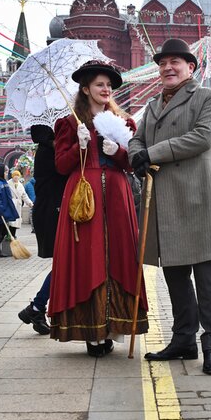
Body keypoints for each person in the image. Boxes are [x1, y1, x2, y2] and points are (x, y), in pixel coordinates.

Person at [128, 38, 211, 375]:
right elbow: (137, 138)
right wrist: (135, 154)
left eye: (175, 62)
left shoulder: (207, 98)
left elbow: (202, 137)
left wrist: (152, 154)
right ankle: (183, 338)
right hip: (163, 201)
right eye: (163, 63)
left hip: (196, 198)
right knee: (175, 276)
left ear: (190, 67)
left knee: (206, 276)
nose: (168, 68)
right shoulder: (153, 105)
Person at [50, 60, 147, 357]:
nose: (105, 90)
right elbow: (61, 166)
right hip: (83, 194)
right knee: (87, 257)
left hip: (118, 195)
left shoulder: (125, 121)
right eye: (99, 85)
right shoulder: (68, 124)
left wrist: (117, 151)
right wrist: (79, 147)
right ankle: (91, 331)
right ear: (85, 89)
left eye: (108, 85)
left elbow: (132, 163)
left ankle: (114, 327)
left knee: (119, 257)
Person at [18, 125, 68, 336]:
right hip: (52, 213)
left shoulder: (46, 150)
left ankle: (37, 309)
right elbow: (67, 169)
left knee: (64, 264)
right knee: (65, 263)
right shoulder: (51, 152)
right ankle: (36, 308)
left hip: (50, 212)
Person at [8, 170, 33, 238]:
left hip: (18, 205)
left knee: (16, 222)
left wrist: (30, 203)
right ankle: (9, 235)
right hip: (10, 205)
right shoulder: (8, 184)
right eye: (15, 175)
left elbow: (24, 196)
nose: (16, 177)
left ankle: (13, 235)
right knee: (10, 222)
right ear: (12, 176)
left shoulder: (20, 185)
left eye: (17, 176)